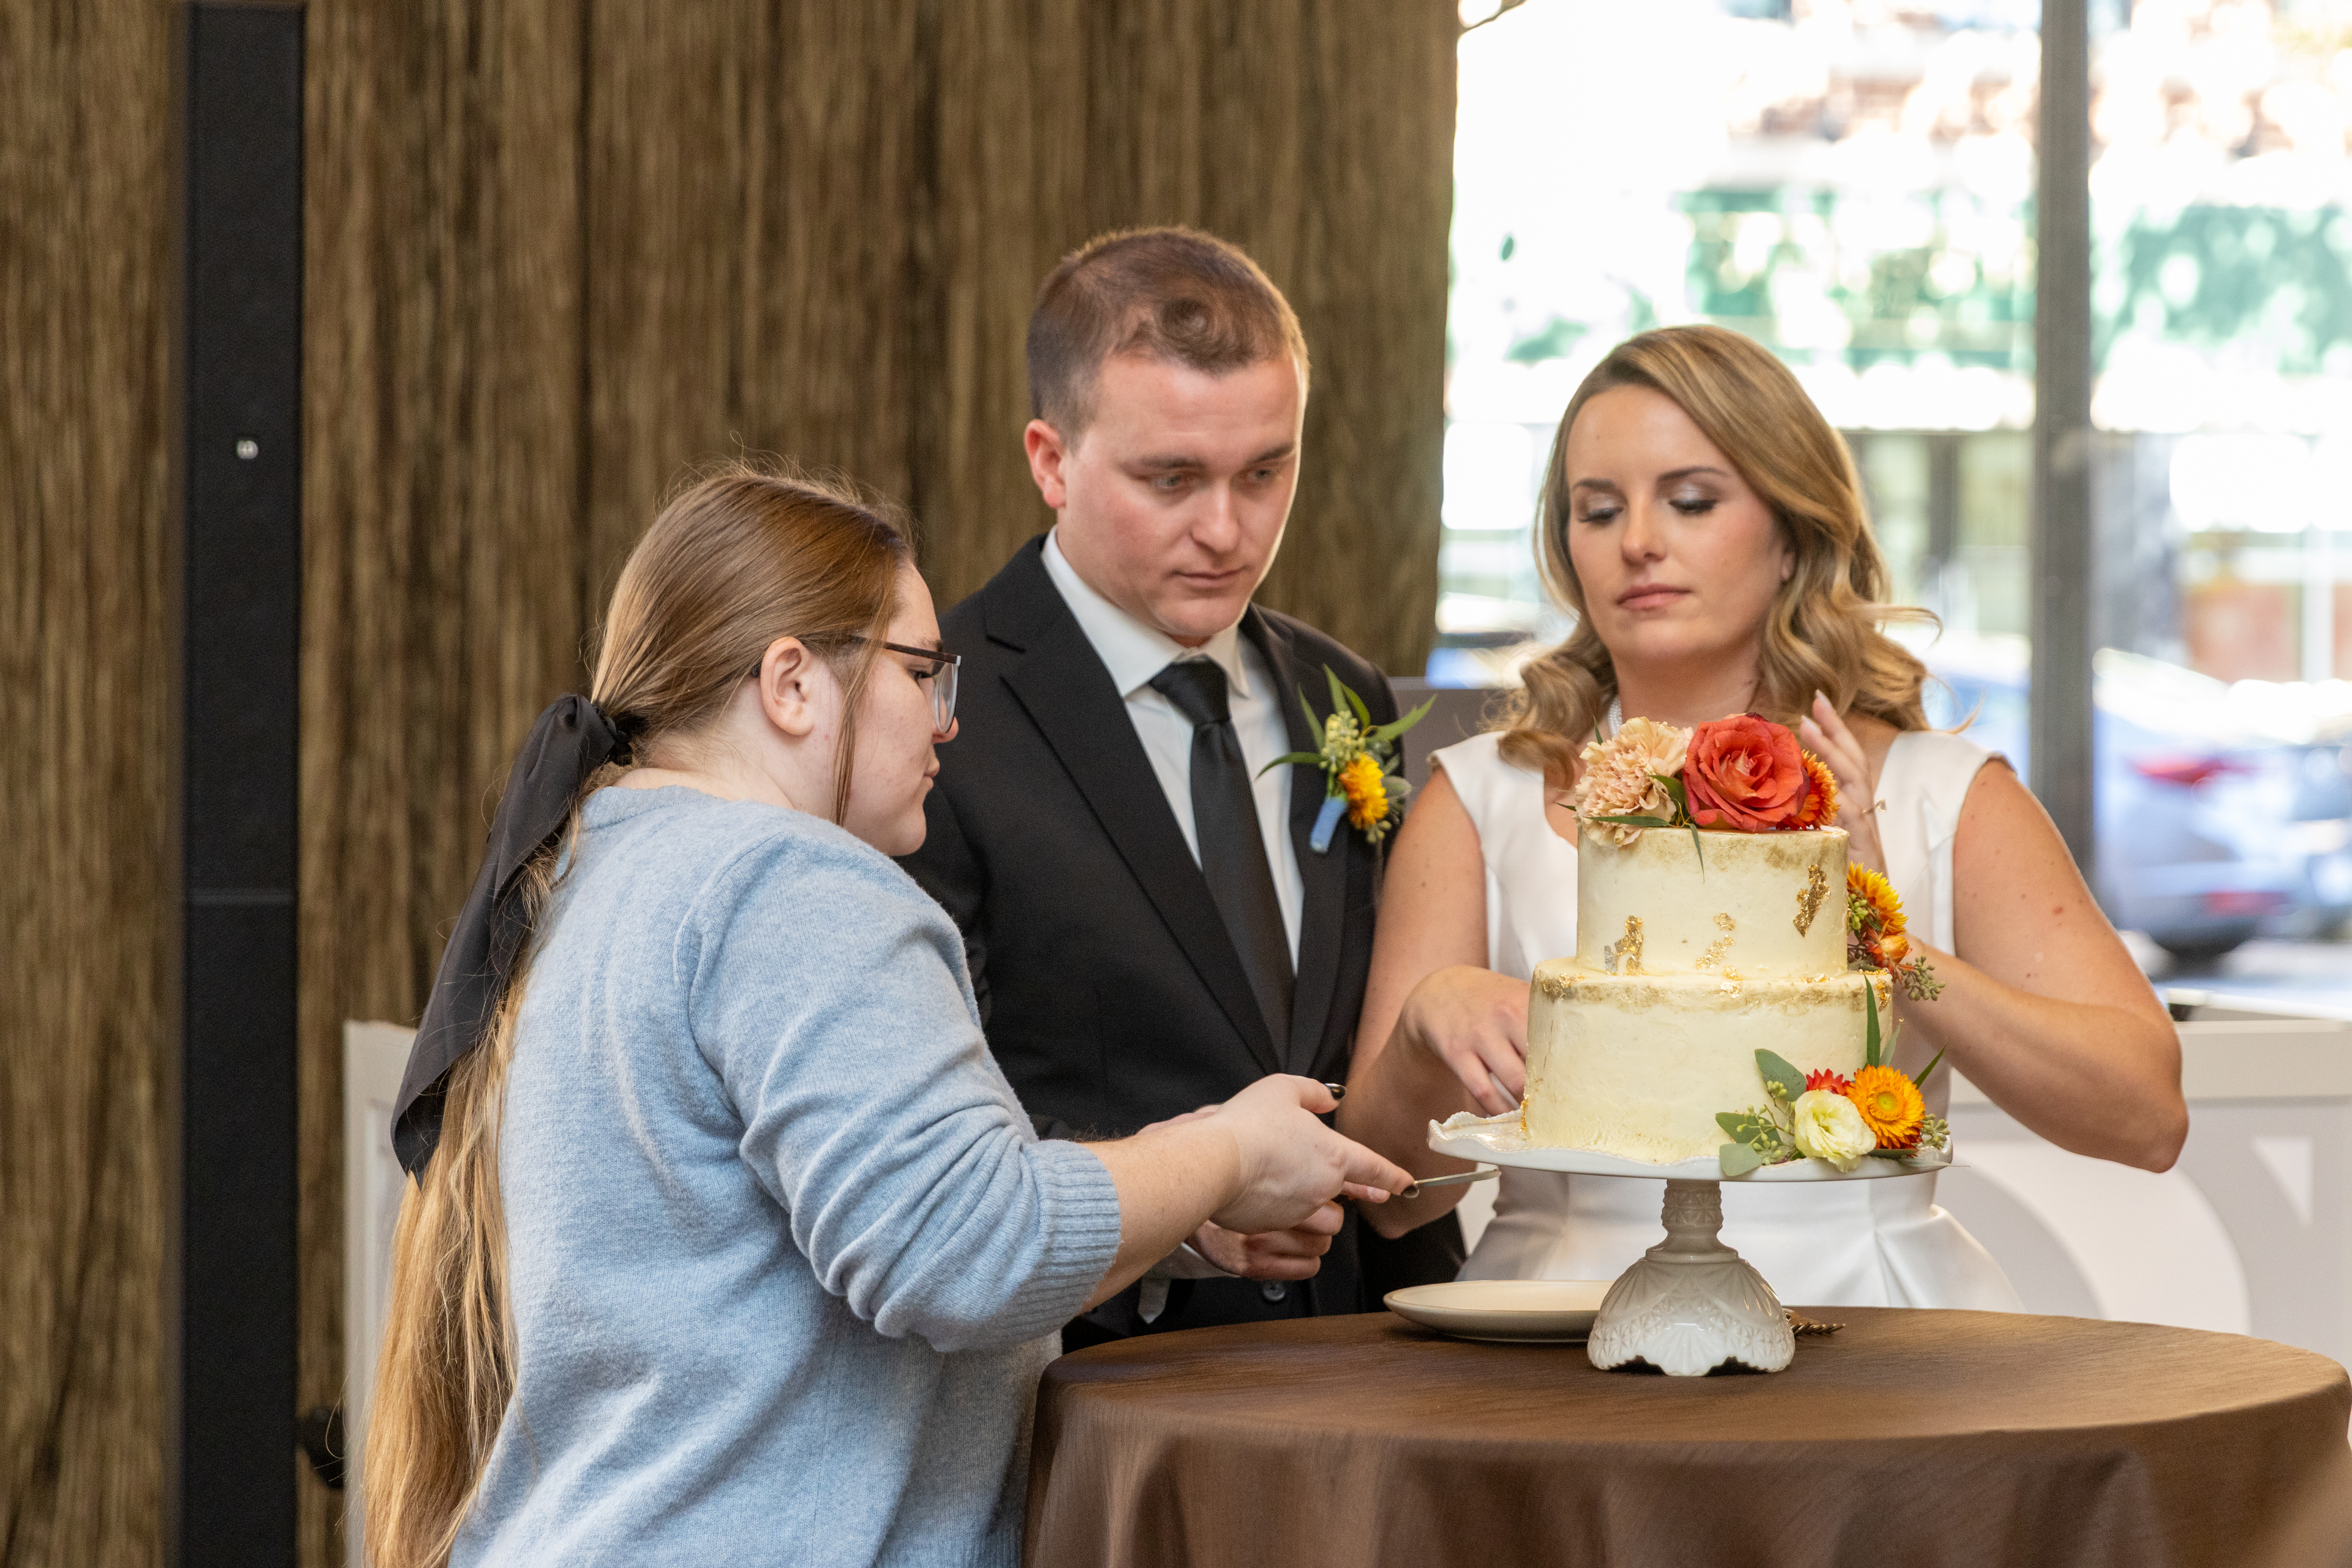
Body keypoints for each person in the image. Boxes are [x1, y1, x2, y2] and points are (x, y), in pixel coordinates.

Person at [364, 466, 1413, 1568]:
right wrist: (1225, 1147)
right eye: (922, 674)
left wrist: (1177, 1200)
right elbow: (965, 1254)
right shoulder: (793, 882)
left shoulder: (597, 862)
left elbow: (867, 1213)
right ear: (792, 685)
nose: (947, 723)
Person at [1340, 324, 2187, 1306]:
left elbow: (2146, 1118)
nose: (1639, 542)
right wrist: (1422, 1023)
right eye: (1598, 510)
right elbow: (1391, 1202)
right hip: (1558, 1329)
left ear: (1792, 532)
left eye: (1691, 501)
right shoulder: (1480, 795)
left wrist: (1887, 943)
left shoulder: (1940, 793)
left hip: (1873, 1329)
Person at [897, 226, 1461, 1346]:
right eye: (1172, 480)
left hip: (1364, 1356)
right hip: (1098, 1392)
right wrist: (1194, 1207)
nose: (1226, 530)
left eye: (1267, 472)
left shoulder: (1340, 692)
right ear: (1051, 460)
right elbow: (928, 1118)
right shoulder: (937, 717)